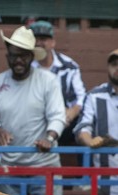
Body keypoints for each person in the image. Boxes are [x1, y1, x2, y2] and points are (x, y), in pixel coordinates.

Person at [0, 26, 66, 195]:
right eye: (14, 55)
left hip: (44, 166)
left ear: (32, 57)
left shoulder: (48, 81)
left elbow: (57, 116)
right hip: (9, 167)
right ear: (7, 56)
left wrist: (49, 139)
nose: (18, 60)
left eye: (23, 55)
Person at [30, 20, 86, 149]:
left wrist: (72, 112)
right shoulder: (27, 67)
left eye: (43, 39)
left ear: (52, 42)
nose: (39, 43)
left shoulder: (69, 66)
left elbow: (81, 97)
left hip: (66, 124)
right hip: (35, 122)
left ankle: (80, 169)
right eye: (35, 39)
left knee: (83, 126)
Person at [74, 48, 118, 195]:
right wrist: (89, 140)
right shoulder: (95, 96)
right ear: (108, 67)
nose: (117, 68)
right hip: (103, 182)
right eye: (114, 64)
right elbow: (83, 128)